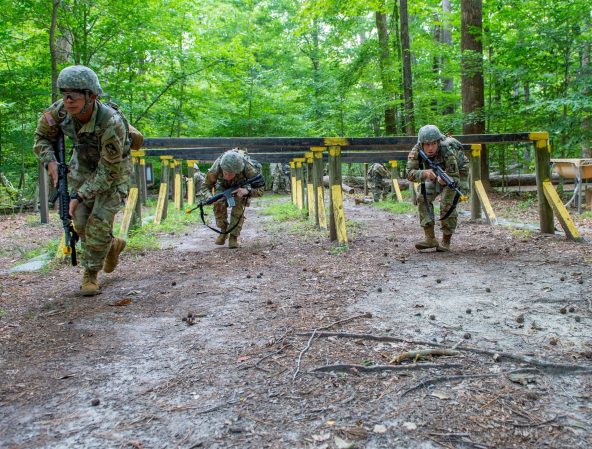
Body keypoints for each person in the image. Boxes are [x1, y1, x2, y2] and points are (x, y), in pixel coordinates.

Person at [33, 65, 133, 296]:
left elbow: (109, 169)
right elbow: (41, 137)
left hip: (114, 172)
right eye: (64, 95)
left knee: (98, 224)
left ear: (92, 96)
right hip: (82, 169)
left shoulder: (111, 122)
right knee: (80, 224)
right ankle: (112, 245)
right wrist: (49, 160)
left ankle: (90, 274)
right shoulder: (59, 112)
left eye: (74, 96)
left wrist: (79, 196)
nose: (67, 101)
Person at [406, 124, 464, 252]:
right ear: (421, 144)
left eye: (433, 144)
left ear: (438, 142)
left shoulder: (447, 150)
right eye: (427, 144)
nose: (430, 147)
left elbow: (455, 177)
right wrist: (424, 173)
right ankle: (430, 238)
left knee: (447, 203)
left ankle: (446, 240)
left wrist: (445, 180)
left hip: (457, 173)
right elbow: (409, 173)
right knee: (422, 195)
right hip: (433, 173)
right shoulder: (416, 150)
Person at [201, 150, 263, 248]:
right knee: (218, 203)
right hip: (222, 186)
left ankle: (233, 237)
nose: (228, 177)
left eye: (231, 174)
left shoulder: (247, 168)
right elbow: (205, 186)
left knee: (238, 206)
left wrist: (247, 191)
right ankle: (223, 231)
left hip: (240, 187)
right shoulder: (216, 167)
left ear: (238, 171)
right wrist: (209, 198)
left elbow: (261, 189)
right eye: (226, 173)